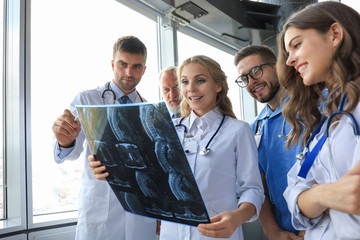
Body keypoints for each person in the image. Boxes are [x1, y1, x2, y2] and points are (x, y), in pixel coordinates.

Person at [90, 55, 265, 240]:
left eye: (200, 80)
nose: (191, 88)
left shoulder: (238, 130)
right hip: (171, 234)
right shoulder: (167, 129)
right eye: (185, 82)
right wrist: (109, 169)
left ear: (218, 85)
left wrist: (238, 217)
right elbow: (146, 176)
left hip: (215, 235)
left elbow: (253, 189)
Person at [52, 36, 156, 240]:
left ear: (144, 70)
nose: (128, 72)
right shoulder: (88, 99)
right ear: (112, 64)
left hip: (141, 210)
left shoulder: (150, 110)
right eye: (122, 64)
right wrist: (65, 140)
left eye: (136, 66)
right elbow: (72, 153)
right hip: (100, 209)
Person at [277, 2, 360, 239]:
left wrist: (314, 196)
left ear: (334, 34)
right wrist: (322, 195)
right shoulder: (330, 118)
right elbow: (293, 192)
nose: (290, 61)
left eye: (296, 45)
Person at [234, 45, 304, 240]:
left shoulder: (314, 108)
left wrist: (309, 230)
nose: (252, 81)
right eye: (244, 78)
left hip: (328, 228)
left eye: (256, 71)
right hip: (283, 233)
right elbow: (258, 187)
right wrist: (273, 232)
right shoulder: (253, 129)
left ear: (278, 66)